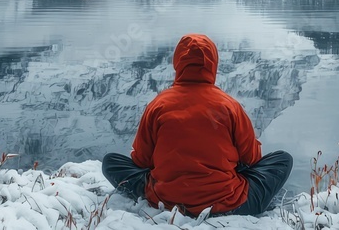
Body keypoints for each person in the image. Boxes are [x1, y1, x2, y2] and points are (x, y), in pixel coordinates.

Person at [102, 33, 293, 217]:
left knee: (111, 162)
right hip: (229, 203)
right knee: (283, 159)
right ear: (213, 64)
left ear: (177, 63)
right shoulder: (229, 106)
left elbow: (141, 161)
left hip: (166, 201)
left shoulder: (158, 105)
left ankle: (169, 191)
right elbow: (252, 158)